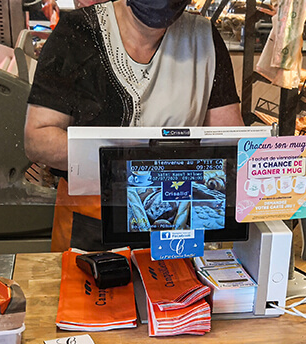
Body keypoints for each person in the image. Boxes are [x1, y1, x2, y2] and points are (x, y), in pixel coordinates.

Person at [24, 0, 243, 251]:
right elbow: (37, 139)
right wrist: (132, 166)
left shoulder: (203, 40)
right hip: (92, 220)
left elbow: (229, 140)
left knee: (178, 290)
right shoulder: (78, 32)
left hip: (177, 220)